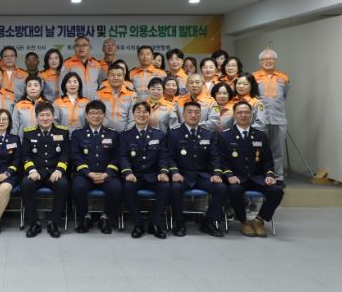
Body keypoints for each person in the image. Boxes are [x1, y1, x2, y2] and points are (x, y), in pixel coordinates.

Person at [219, 101, 284, 237]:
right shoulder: (225, 136)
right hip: (237, 178)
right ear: (234, 115)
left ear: (252, 115)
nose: (243, 115)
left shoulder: (261, 136)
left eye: (247, 112)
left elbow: (267, 160)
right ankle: (243, 221)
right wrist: (229, 175)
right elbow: (222, 161)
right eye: (240, 112)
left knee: (277, 191)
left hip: (257, 178)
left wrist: (269, 175)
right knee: (234, 190)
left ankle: (259, 220)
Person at [167, 101, 227, 237]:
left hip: (201, 176)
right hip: (182, 175)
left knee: (221, 188)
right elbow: (169, 157)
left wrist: (217, 174)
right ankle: (179, 223)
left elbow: (215, 157)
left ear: (201, 115)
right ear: (183, 114)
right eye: (189, 112)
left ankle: (208, 222)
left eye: (196, 112)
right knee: (174, 188)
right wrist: (175, 172)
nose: (193, 115)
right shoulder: (174, 134)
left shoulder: (208, 134)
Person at [119, 102, 170, 239]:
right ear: (133, 114)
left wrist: (163, 172)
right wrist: (128, 172)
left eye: (145, 112)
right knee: (127, 187)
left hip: (153, 175)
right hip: (134, 175)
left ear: (149, 114)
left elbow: (163, 156)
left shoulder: (159, 135)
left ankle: (155, 224)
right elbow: (123, 157)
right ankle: (138, 224)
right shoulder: (125, 136)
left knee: (165, 186)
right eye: (138, 111)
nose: (141, 114)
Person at [71, 100, 122, 234]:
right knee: (78, 187)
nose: (95, 116)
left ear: (104, 115)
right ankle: (85, 218)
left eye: (99, 113)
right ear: (87, 116)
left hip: (106, 174)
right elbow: (76, 157)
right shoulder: (78, 134)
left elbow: (116, 157)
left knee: (116, 188)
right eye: (92, 113)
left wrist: (107, 173)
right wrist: (88, 173)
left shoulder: (113, 134)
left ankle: (106, 218)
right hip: (85, 175)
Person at [20, 102, 70, 238]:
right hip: (36, 172)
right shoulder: (29, 133)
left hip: (55, 171)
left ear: (53, 116)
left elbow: (65, 154)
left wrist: (59, 170)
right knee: (26, 184)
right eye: (42, 115)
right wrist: (32, 170)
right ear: (37, 117)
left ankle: (54, 222)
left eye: (48, 115)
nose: (45, 118)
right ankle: (34, 222)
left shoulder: (63, 132)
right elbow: (25, 155)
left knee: (63, 185)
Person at [253, 48, 289, 187]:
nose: (268, 61)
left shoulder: (283, 77)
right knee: (258, 149)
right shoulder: (254, 77)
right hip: (260, 120)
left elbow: (284, 95)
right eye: (264, 59)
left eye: (271, 59)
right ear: (260, 61)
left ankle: (278, 177)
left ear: (275, 60)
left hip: (278, 119)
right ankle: (259, 175)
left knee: (277, 150)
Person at [96, 64, 138, 132]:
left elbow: (133, 118)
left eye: (119, 75)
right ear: (108, 77)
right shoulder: (99, 94)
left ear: (123, 77)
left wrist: (127, 133)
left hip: (125, 133)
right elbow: (96, 115)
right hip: (104, 133)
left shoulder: (132, 94)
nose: (115, 78)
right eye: (112, 75)